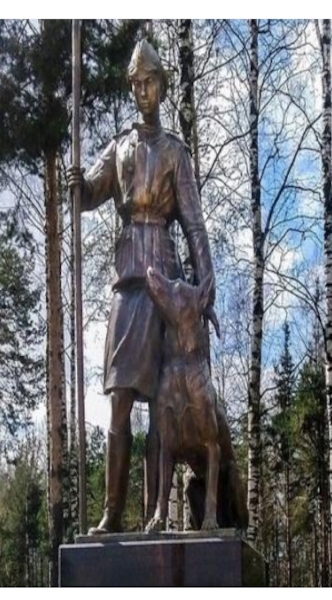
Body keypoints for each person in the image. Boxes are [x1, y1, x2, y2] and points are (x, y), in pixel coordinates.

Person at [68, 39, 217, 534]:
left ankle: (156, 513)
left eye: (150, 82)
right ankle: (112, 511)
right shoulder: (120, 147)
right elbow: (91, 191)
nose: (143, 91)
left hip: (166, 281)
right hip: (129, 279)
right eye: (136, 84)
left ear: (162, 86)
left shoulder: (175, 151)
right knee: (120, 397)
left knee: (162, 404)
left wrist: (205, 281)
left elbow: (193, 223)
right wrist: (78, 187)